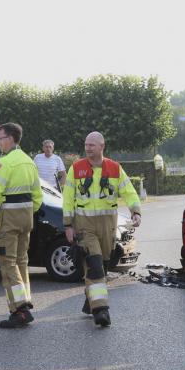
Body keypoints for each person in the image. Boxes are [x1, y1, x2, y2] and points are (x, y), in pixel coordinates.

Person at [62, 131, 141, 327]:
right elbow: (68, 197)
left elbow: (129, 191)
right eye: (86, 144)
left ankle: (91, 300)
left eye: (92, 145)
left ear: (102, 146)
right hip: (84, 225)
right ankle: (101, 310)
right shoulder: (76, 168)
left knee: (103, 266)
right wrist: (68, 224)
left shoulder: (115, 168)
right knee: (95, 264)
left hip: (108, 225)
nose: (88, 148)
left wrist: (135, 211)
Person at [0, 122, 42, 329]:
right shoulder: (29, 162)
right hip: (26, 218)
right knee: (22, 261)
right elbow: (37, 196)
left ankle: (20, 308)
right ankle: (24, 305)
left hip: (9, 218)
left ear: (11, 139)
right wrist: (28, 211)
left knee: (8, 262)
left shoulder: (5, 163)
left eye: (0, 138)